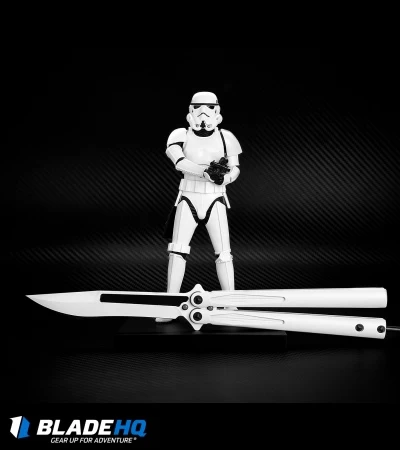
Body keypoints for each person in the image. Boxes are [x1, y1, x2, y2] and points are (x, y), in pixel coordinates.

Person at [157, 92, 242, 322]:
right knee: (177, 250)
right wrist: (204, 171)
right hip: (188, 196)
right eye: (198, 108)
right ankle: (170, 305)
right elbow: (179, 161)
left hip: (215, 197)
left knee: (224, 254)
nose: (203, 113)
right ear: (191, 110)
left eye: (208, 108)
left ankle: (230, 304)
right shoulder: (180, 135)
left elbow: (235, 168)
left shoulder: (226, 137)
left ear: (217, 111)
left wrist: (225, 178)